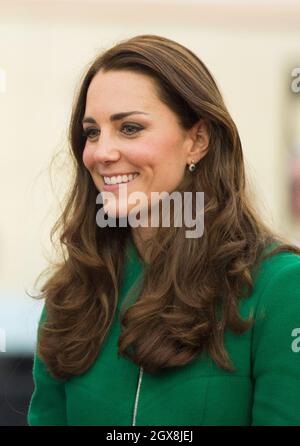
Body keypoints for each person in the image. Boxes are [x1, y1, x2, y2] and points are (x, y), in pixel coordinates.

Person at [27, 34, 300, 426]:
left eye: (130, 128)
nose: (102, 152)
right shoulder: (74, 292)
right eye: (92, 132)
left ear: (197, 140)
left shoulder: (280, 288)